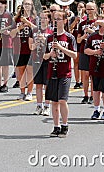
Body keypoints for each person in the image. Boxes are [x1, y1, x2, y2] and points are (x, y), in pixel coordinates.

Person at [44, 10, 77, 138]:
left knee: (62, 100)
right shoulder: (49, 37)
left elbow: (74, 55)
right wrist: (50, 54)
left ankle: (65, 125)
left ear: (64, 21)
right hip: (52, 71)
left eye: (58, 19)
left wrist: (61, 48)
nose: (56, 21)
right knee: (54, 101)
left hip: (65, 72)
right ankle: (56, 126)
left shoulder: (69, 37)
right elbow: (44, 56)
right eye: (55, 19)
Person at [84, 14, 104, 121]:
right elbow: (86, 50)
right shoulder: (92, 36)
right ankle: (96, 109)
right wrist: (95, 52)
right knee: (95, 89)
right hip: (95, 66)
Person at [10, 0, 36, 101]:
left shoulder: (34, 18)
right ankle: (22, 91)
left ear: (32, 6)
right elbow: (11, 34)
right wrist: (19, 28)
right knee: (20, 72)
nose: (27, 6)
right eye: (25, 4)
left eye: (29, 4)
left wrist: (28, 23)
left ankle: (29, 92)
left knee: (29, 71)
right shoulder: (16, 19)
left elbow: (38, 29)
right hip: (18, 48)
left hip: (30, 48)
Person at [29, 10, 53, 116]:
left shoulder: (52, 31)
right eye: (41, 18)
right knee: (38, 84)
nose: (43, 20)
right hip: (37, 58)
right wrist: (36, 43)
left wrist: (45, 40)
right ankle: (39, 105)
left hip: (48, 59)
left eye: (45, 18)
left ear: (48, 19)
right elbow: (31, 47)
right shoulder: (34, 30)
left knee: (47, 84)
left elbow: (54, 46)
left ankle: (47, 106)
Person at [77, 2, 97, 104]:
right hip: (84, 50)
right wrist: (84, 37)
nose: (89, 11)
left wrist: (92, 32)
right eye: (87, 9)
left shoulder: (99, 22)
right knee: (85, 74)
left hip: (94, 50)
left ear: (95, 9)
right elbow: (78, 40)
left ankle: (93, 95)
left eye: (91, 9)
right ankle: (85, 95)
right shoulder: (82, 24)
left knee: (93, 74)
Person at [69, 1, 86, 89]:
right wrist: (75, 21)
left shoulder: (86, 19)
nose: (80, 8)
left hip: (83, 42)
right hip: (75, 41)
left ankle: (83, 81)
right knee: (76, 61)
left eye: (82, 7)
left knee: (82, 63)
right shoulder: (73, 18)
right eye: (78, 7)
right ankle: (77, 81)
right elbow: (70, 28)